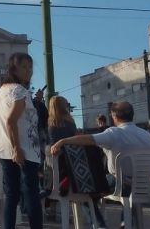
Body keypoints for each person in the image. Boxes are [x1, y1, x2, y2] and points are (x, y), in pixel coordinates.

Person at [51, 101, 150, 227]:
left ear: (114, 116)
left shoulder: (114, 133)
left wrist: (62, 141)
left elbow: (89, 139)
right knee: (121, 190)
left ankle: (100, 225)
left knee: (84, 187)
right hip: (146, 186)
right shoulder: (148, 136)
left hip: (120, 184)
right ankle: (127, 224)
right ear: (132, 115)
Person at [0, 53, 42, 229]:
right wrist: (17, 148)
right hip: (24, 149)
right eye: (24, 67)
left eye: (30, 68)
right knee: (31, 195)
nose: (29, 71)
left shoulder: (3, 89)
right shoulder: (20, 91)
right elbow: (11, 120)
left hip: (4, 147)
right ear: (14, 69)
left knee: (11, 195)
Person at [47, 95, 107, 227]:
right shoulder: (71, 123)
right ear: (64, 107)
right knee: (86, 196)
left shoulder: (51, 126)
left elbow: (54, 151)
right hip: (79, 170)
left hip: (63, 174)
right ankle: (99, 223)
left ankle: (98, 223)